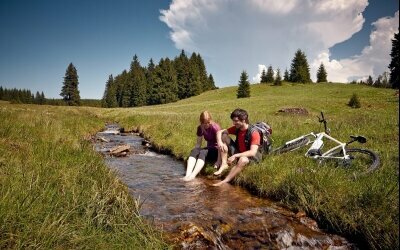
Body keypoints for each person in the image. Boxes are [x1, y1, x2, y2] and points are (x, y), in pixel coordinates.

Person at [212, 108, 262, 186]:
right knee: (223, 136)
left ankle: (225, 180)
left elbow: (253, 152)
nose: (234, 123)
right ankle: (224, 164)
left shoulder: (254, 133)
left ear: (244, 120)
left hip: (252, 158)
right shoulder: (237, 128)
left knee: (243, 159)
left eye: (236, 121)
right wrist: (220, 142)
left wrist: (235, 155)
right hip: (239, 152)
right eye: (233, 121)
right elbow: (220, 132)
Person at [182, 111, 221, 181]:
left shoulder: (215, 127)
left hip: (216, 150)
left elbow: (220, 145)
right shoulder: (200, 128)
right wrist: (195, 153)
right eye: (204, 123)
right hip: (209, 148)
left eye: (208, 122)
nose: (207, 125)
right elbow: (198, 144)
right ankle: (187, 175)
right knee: (194, 150)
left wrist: (218, 161)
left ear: (211, 120)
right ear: (201, 122)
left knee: (203, 152)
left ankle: (193, 176)